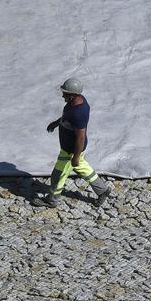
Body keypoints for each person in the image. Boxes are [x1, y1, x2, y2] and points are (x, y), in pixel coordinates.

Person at [33, 78, 112, 208]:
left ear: (72, 95)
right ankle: (103, 190)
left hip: (70, 151)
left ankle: (52, 200)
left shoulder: (78, 113)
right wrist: (57, 123)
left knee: (58, 175)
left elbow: (80, 137)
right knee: (83, 168)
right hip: (71, 149)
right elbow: (67, 116)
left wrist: (75, 156)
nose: (62, 95)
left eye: (65, 93)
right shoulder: (76, 102)